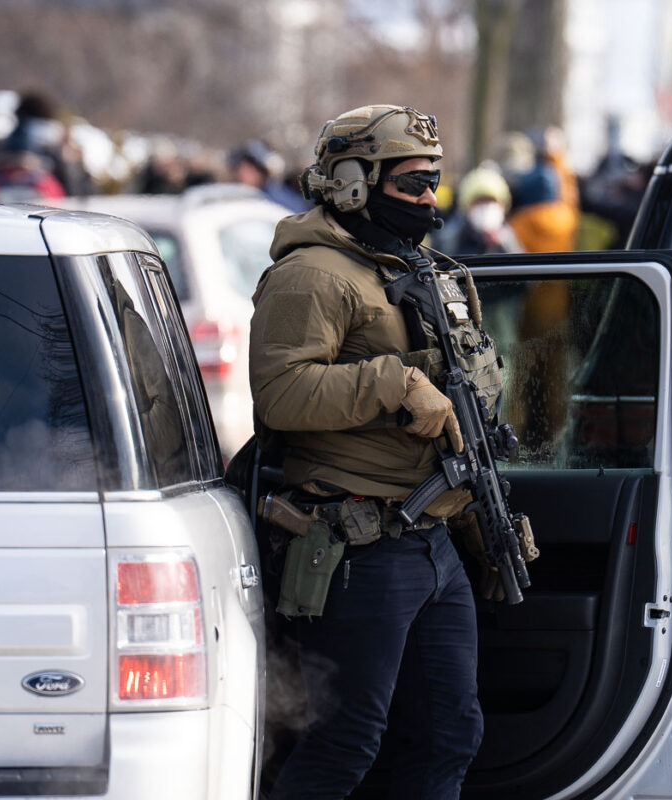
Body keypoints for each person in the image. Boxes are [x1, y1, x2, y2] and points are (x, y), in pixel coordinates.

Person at [250, 104, 497, 799]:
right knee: (345, 744)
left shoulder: (418, 268)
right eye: (412, 183)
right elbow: (281, 395)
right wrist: (394, 382)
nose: (428, 200)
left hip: (430, 539)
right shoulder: (313, 276)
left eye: (434, 184)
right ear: (354, 183)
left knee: (451, 733)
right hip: (357, 544)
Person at [435, 163, 522, 256]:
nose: (486, 207)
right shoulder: (449, 238)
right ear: (466, 206)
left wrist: (505, 244)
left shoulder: (509, 236)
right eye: (480, 202)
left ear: (503, 206)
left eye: (491, 201)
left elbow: (522, 266)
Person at [230, 140, 311, 212]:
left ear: (259, 170)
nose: (243, 176)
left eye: (248, 171)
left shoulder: (277, 195)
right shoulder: (244, 196)